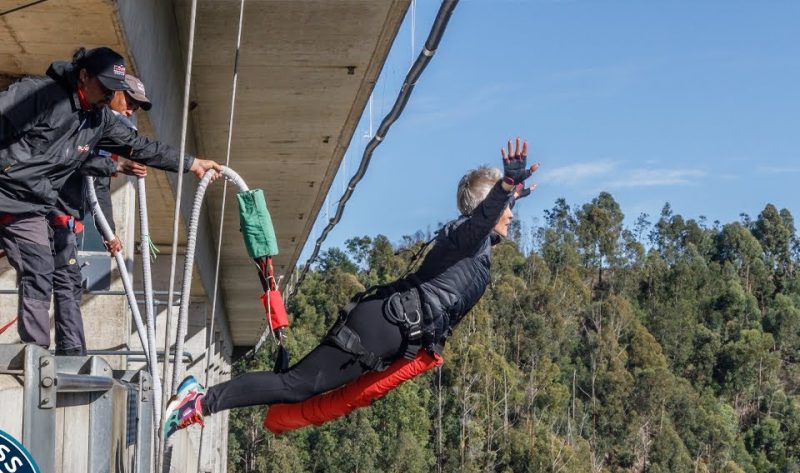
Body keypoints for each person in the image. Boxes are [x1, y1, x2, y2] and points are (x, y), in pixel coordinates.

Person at [164, 138, 539, 437]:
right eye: (507, 206)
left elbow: (488, 218)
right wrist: (504, 187)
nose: (511, 215)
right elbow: (484, 217)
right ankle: (199, 401)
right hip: (380, 328)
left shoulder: (476, 248)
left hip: (389, 334)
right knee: (296, 386)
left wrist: (512, 193)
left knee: (300, 388)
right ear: (486, 207)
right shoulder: (464, 235)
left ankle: (202, 400)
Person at [0, 46, 221, 349]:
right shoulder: (40, 94)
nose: (109, 96)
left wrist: (191, 163)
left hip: (31, 206)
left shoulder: (99, 121)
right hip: (3, 187)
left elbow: (141, 146)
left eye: (114, 90)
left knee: (40, 266)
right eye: (104, 87)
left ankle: (35, 352)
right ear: (83, 76)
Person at [49, 72, 151, 355]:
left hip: (62, 219)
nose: (131, 111)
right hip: (46, 211)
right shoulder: (87, 123)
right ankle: (70, 355)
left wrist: (110, 233)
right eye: (129, 102)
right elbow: (78, 163)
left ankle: (72, 353)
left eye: (136, 108)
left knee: (66, 280)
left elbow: (99, 190)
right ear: (112, 92)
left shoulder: (106, 136)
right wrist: (116, 167)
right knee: (63, 281)